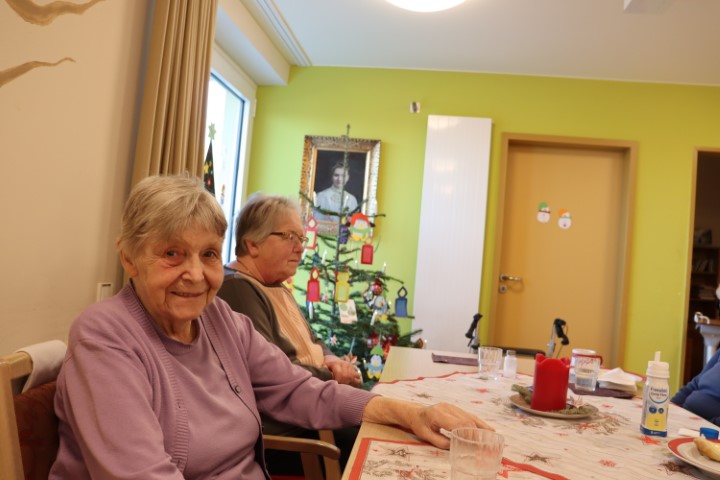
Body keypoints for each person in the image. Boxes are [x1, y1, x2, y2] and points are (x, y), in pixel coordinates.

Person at [50, 174, 492, 479]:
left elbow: (302, 390)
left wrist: (411, 413)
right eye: (171, 254)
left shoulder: (221, 320)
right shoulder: (105, 337)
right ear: (129, 258)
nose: (196, 274)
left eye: (208, 254)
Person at [217, 194, 362, 471]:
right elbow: (274, 375)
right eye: (289, 237)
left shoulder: (275, 285)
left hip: (315, 405)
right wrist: (332, 375)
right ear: (252, 244)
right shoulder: (238, 288)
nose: (300, 248)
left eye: (301, 238)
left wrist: (332, 359)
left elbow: (312, 339)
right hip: (291, 431)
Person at [672, 349, 720, 426]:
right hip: (685, 415)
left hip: (706, 427)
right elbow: (695, 383)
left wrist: (703, 425)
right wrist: (672, 406)